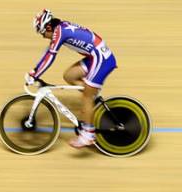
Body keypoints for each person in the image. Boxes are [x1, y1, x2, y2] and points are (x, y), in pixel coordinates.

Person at [26, 9, 117, 149]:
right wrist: (35, 71)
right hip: (95, 56)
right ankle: (92, 97)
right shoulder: (60, 28)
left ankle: (88, 135)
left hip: (101, 58)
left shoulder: (59, 32)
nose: (44, 36)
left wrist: (35, 74)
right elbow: (47, 53)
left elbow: (51, 56)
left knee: (86, 96)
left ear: (48, 27)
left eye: (43, 33)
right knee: (69, 75)